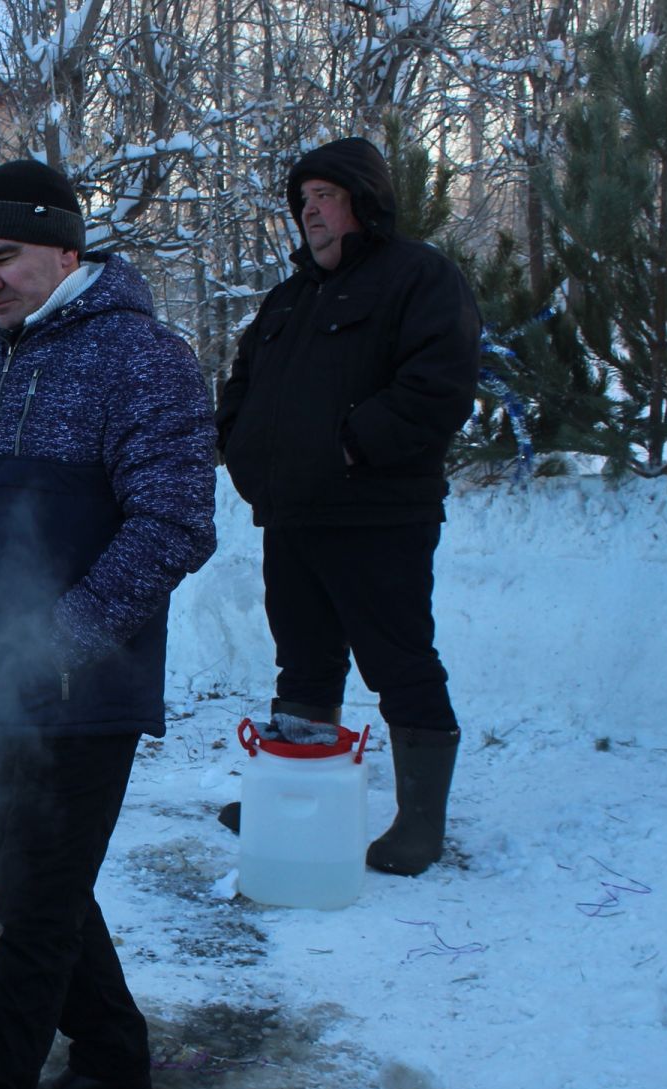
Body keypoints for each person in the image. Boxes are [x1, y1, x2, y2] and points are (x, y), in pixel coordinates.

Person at [0, 159, 218, 1089]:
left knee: (32, 910)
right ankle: (114, 1050)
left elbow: (174, 524)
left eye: (2, 258)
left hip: (87, 688)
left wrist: (57, 642)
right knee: (43, 882)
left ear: (65, 247)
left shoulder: (145, 360)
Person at [214, 136, 480, 876]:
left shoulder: (418, 278)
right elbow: (242, 386)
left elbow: (441, 384)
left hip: (379, 515)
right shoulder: (289, 298)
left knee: (399, 659)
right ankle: (295, 789)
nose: (311, 214)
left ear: (364, 201)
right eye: (303, 203)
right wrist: (245, 453)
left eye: (324, 198)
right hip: (292, 516)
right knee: (302, 661)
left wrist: (349, 448)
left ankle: (419, 824)